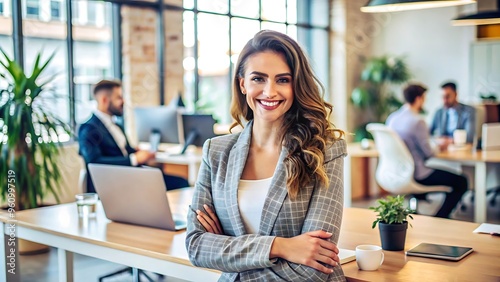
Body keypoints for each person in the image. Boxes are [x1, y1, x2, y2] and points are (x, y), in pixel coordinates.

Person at [185, 30, 346, 281]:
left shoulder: (324, 150)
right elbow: (197, 246)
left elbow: (315, 263)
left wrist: (230, 251)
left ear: (296, 85)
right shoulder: (216, 152)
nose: (269, 92)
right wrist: (280, 246)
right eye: (258, 79)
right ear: (242, 83)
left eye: (283, 80)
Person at [78, 80, 188, 193]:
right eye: (119, 98)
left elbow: (123, 151)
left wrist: (138, 152)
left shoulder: (116, 125)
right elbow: (94, 162)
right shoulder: (88, 128)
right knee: (179, 183)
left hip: (130, 176)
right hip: (112, 183)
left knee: (180, 181)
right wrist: (134, 159)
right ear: (104, 100)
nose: (123, 101)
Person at [387, 84, 467, 218]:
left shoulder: (392, 118)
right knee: (461, 181)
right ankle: (440, 217)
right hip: (418, 174)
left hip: (397, 171)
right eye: (424, 98)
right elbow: (429, 153)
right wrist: (440, 145)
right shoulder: (418, 121)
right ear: (419, 99)